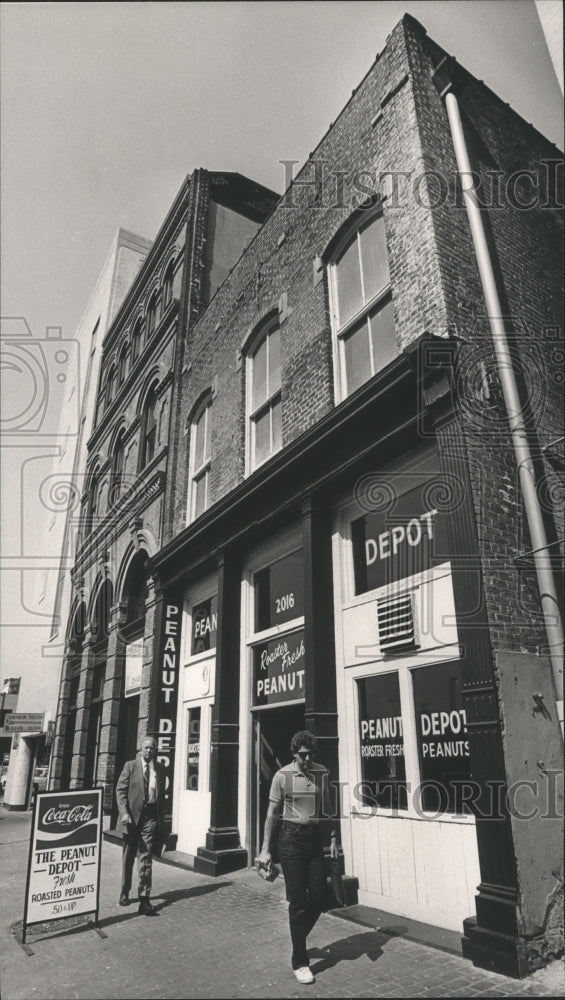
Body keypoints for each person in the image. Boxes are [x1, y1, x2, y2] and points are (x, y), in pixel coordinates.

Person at [257, 730, 339, 985]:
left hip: (314, 839)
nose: (307, 759)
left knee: (319, 896)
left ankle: (297, 937)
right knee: (298, 900)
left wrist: (334, 838)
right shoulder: (282, 776)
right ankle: (300, 961)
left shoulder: (322, 773)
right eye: (303, 755)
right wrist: (265, 849)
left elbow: (328, 808)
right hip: (290, 839)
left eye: (311, 754)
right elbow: (271, 813)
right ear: (295, 753)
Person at [115, 735, 166, 915]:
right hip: (131, 818)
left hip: (150, 818)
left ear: (155, 750)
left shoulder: (160, 769)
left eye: (152, 748)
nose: (149, 751)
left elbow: (161, 796)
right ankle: (124, 890)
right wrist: (124, 813)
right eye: (146, 748)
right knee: (128, 857)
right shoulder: (130, 766)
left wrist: (161, 821)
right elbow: (120, 790)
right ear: (140, 749)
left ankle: (144, 899)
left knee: (145, 857)